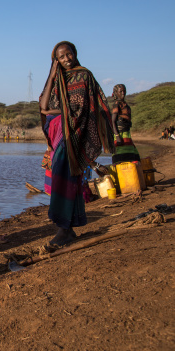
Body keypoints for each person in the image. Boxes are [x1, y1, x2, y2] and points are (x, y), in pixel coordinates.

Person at [39, 41, 115, 246]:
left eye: (68, 54)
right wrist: (52, 74)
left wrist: (53, 112)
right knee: (62, 179)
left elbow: (78, 108)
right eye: (61, 57)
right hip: (59, 135)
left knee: (65, 179)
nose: (66, 59)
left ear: (75, 53)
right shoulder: (58, 79)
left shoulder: (84, 75)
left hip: (73, 134)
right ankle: (68, 227)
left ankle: (64, 229)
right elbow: (43, 104)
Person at [111, 84, 141, 164]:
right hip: (120, 134)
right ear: (116, 93)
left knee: (133, 157)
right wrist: (117, 136)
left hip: (127, 134)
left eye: (124, 91)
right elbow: (113, 121)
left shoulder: (125, 104)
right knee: (121, 159)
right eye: (120, 91)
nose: (123, 93)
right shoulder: (117, 104)